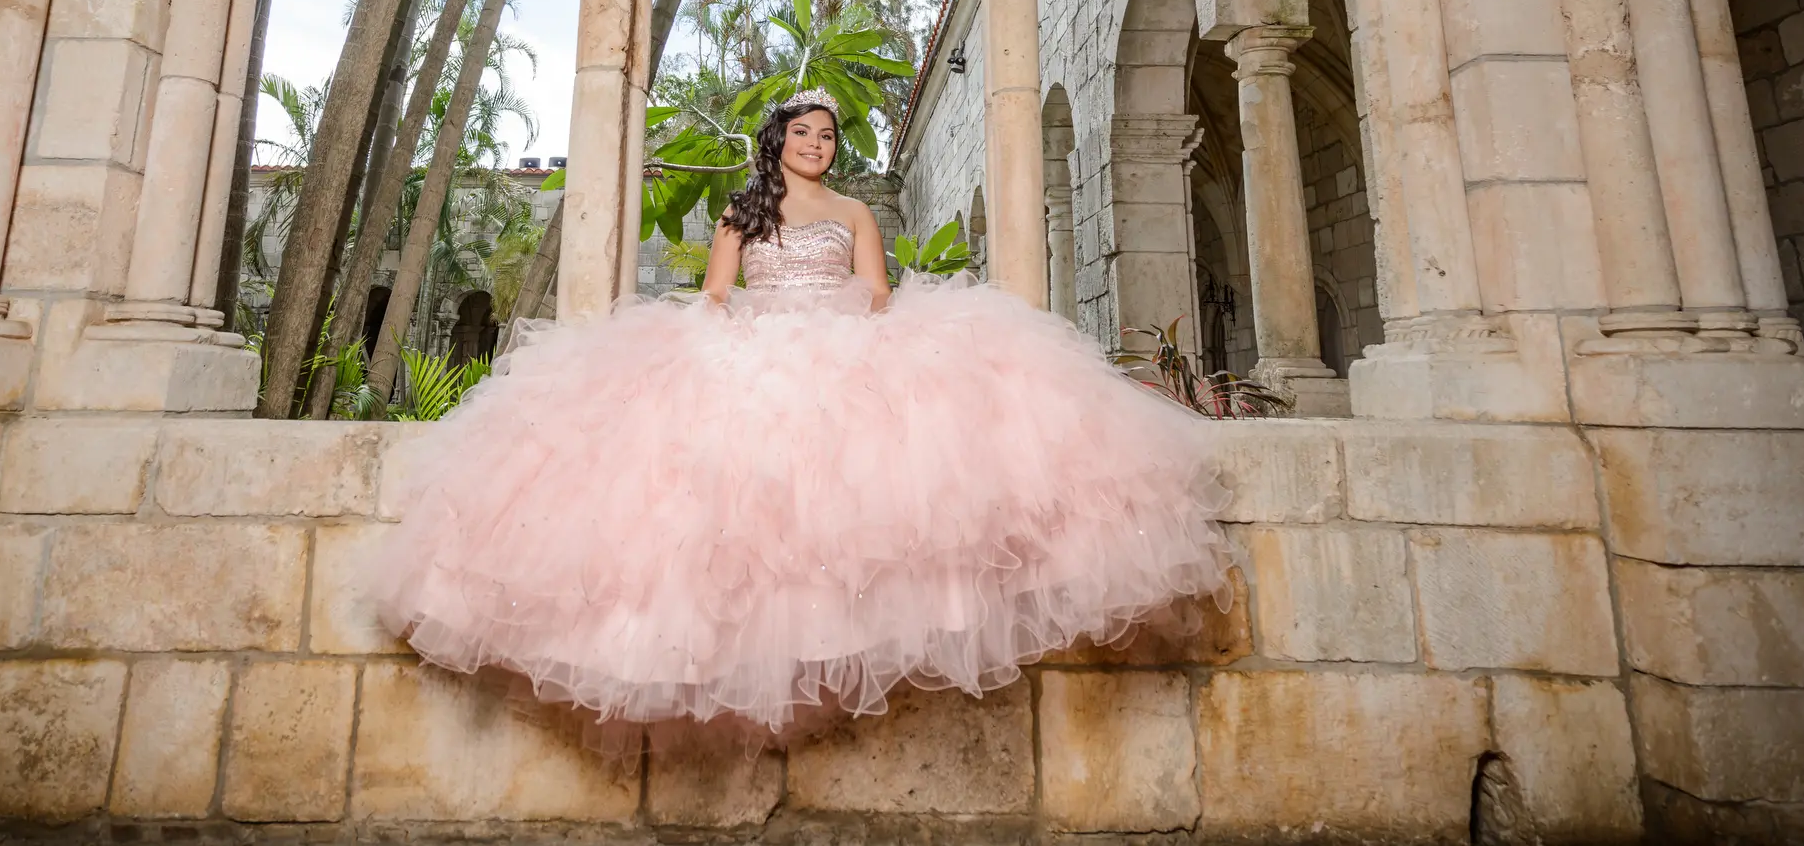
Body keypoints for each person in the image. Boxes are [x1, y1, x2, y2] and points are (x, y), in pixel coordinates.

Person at [375, 90, 1230, 737]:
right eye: (803, 132)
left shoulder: (857, 212)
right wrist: (693, 352)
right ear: (776, 142)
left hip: (843, 343)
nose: (816, 143)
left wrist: (872, 354)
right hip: (760, 346)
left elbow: (879, 293)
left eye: (827, 134)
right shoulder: (742, 212)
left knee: (876, 492)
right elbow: (716, 296)